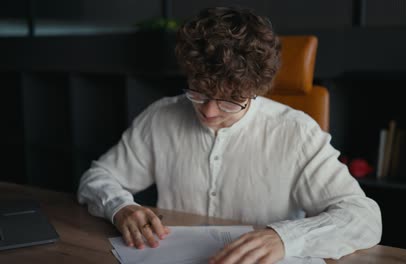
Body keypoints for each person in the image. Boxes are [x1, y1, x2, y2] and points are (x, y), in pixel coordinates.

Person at [78, 6, 382, 263]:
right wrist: (120, 207)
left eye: (230, 99)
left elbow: (364, 217)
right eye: (199, 92)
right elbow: (97, 178)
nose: (209, 111)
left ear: (256, 90)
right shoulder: (162, 117)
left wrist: (285, 238)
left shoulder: (296, 132)